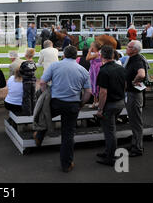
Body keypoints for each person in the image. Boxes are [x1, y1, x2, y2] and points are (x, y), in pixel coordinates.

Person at [38, 45, 92, 173]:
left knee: (44, 114)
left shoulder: (54, 66)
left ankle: (39, 134)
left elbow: (42, 83)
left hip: (56, 102)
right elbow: (88, 92)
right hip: (73, 104)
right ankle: (66, 165)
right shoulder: (83, 70)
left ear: (64, 55)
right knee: (68, 135)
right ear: (76, 56)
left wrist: (46, 96)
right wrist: (81, 104)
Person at [95, 45, 126, 166]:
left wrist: (100, 109)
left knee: (110, 132)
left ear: (101, 55)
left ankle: (111, 158)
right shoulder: (120, 68)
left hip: (110, 104)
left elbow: (103, 92)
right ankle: (108, 151)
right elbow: (125, 85)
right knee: (110, 130)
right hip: (120, 102)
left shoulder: (103, 70)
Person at [123, 40, 146, 157]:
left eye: (129, 46)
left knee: (136, 122)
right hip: (131, 94)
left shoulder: (137, 60)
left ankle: (138, 148)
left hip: (134, 95)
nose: (126, 48)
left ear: (134, 50)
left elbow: (142, 74)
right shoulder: (132, 59)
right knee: (133, 120)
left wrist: (134, 81)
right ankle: (135, 144)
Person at [19, 48, 37, 116]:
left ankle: (27, 113)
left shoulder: (24, 63)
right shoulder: (34, 63)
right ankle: (34, 112)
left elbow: (21, 71)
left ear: (26, 55)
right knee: (33, 97)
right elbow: (34, 69)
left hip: (26, 82)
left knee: (27, 98)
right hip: (33, 82)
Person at [86, 41, 102, 108]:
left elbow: (87, 58)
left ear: (94, 47)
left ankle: (96, 102)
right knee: (94, 85)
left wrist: (89, 51)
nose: (90, 47)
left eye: (91, 46)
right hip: (94, 70)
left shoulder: (96, 54)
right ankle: (95, 102)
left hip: (96, 70)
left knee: (95, 85)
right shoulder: (97, 53)